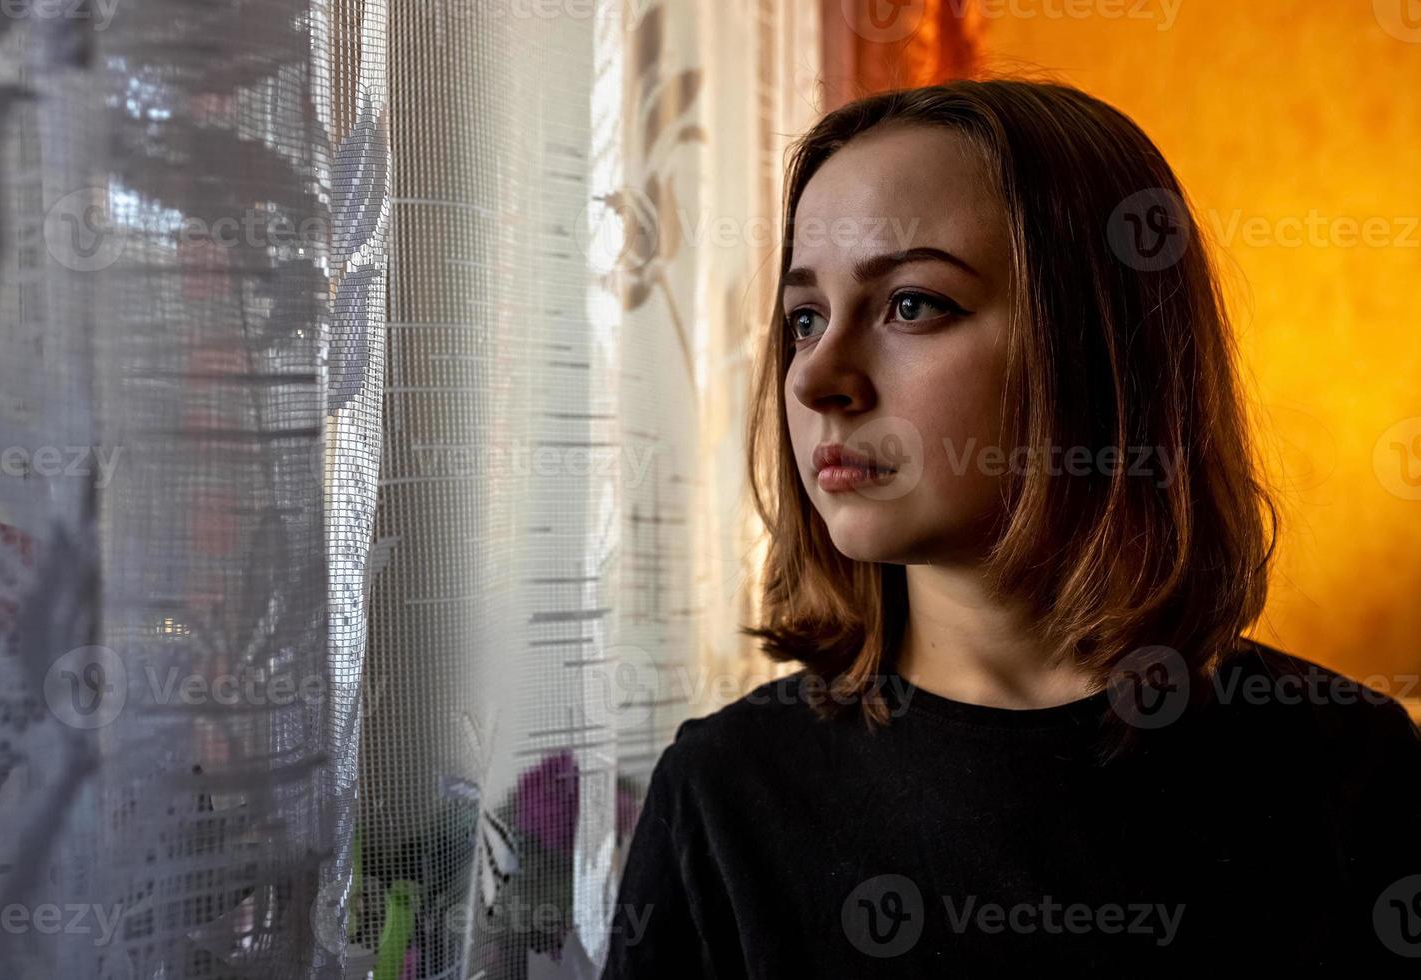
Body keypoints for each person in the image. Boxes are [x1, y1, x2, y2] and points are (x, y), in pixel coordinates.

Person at [600, 79, 1421, 976]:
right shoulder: (722, 799)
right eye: (805, 319)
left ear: (1099, 344)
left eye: (912, 303)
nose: (816, 378)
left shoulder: (1353, 769)